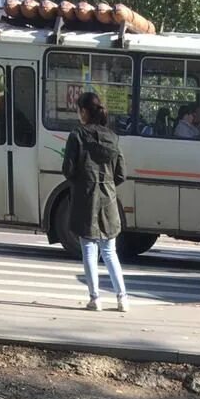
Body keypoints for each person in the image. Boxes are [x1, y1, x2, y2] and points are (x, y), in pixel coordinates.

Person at [62, 92, 129, 312]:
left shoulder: (77, 136)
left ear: (83, 111)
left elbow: (68, 170)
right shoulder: (112, 137)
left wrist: (81, 182)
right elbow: (121, 174)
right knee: (110, 251)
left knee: (89, 250)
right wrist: (106, 184)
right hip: (108, 197)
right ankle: (122, 298)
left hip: (85, 197)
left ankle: (95, 298)